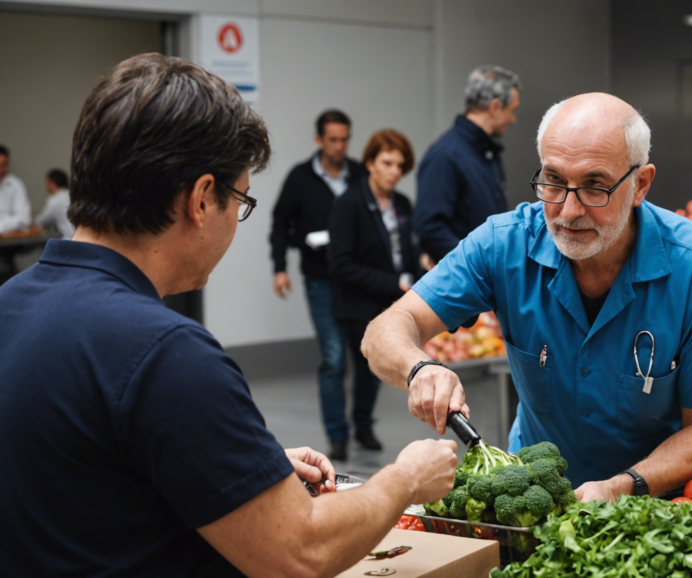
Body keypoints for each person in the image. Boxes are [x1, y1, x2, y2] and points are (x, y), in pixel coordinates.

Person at [0, 53, 457, 577]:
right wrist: (403, 480)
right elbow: (300, 553)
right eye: (240, 199)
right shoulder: (166, 352)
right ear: (200, 199)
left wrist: (234, 471)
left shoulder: (11, 301)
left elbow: (79, 476)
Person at [363, 93, 692, 503]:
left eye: (594, 186)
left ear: (640, 184)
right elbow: (384, 331)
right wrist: (419, 369)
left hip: (655, 509)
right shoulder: (504, 244)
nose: (568, 211)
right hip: (535, 500)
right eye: (553, 181)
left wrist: (622, 487)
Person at [270, 109, 368, 461]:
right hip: (320, 278)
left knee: (367, 354)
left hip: (357, 280)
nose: (340, 146)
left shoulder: (359, 174)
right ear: (318, 140)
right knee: (332, 358)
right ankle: (338, 436)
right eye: (333, 140)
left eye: (345, 139)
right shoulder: (300, 178)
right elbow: (280, 222)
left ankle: (363, 425)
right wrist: (279, 268)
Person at [327, 129, 420, 456]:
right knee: (343, 366)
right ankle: (338, 435)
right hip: (358, 302)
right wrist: (393, 283)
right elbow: (340, 265)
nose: (394, 171)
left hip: (392, 301)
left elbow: (410, 250)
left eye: (400, 165)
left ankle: (363, 426)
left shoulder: (403, 203)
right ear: (369, 163)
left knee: (372, 374)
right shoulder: (348, 203)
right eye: (387, 162)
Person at [414, 65, 520, 266]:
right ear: (495, 107)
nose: (513, 120)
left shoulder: (487, 151)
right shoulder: (445, 155)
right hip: (465, 282)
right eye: (512, 110)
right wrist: (476, 263)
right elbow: (429, 227)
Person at [0, 145, 31, 234]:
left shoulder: (16, 185)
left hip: (9, 242)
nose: (1, 169)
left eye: (4, 165)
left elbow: (24, 219)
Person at [36, 168, 74, 239]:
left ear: (51, 183)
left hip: (69, 239)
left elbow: (42, 221)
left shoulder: (55, 199)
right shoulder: (74, 195)